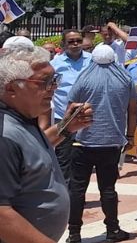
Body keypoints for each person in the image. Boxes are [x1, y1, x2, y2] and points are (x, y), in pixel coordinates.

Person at [0, 36, 93, 243]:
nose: (54, 88)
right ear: (12, 88)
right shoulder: (4, 135)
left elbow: (33, 150)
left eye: (55, 80)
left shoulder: (23, 119)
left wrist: (67, 126)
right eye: (45, 82)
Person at [65, 45, 137, 242]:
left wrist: (66, 133)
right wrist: (130, 136)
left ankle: (74, 233)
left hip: (83, 142)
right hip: (111, 143)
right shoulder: (125, 79)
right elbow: (133, 110)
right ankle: (113, 230)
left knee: (77, 189)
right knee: (108, 188)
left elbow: (70, 106)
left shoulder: (84, 77)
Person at [50, 29, 93, 179]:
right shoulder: (54, 64)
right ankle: (65, 197)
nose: (75, 44)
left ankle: (77, 197)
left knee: (84, 161)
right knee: (64, 160)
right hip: (63, 118)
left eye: (78, 41)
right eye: (71, 41)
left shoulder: (92, 61)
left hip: (88, 119)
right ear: (63, 44)